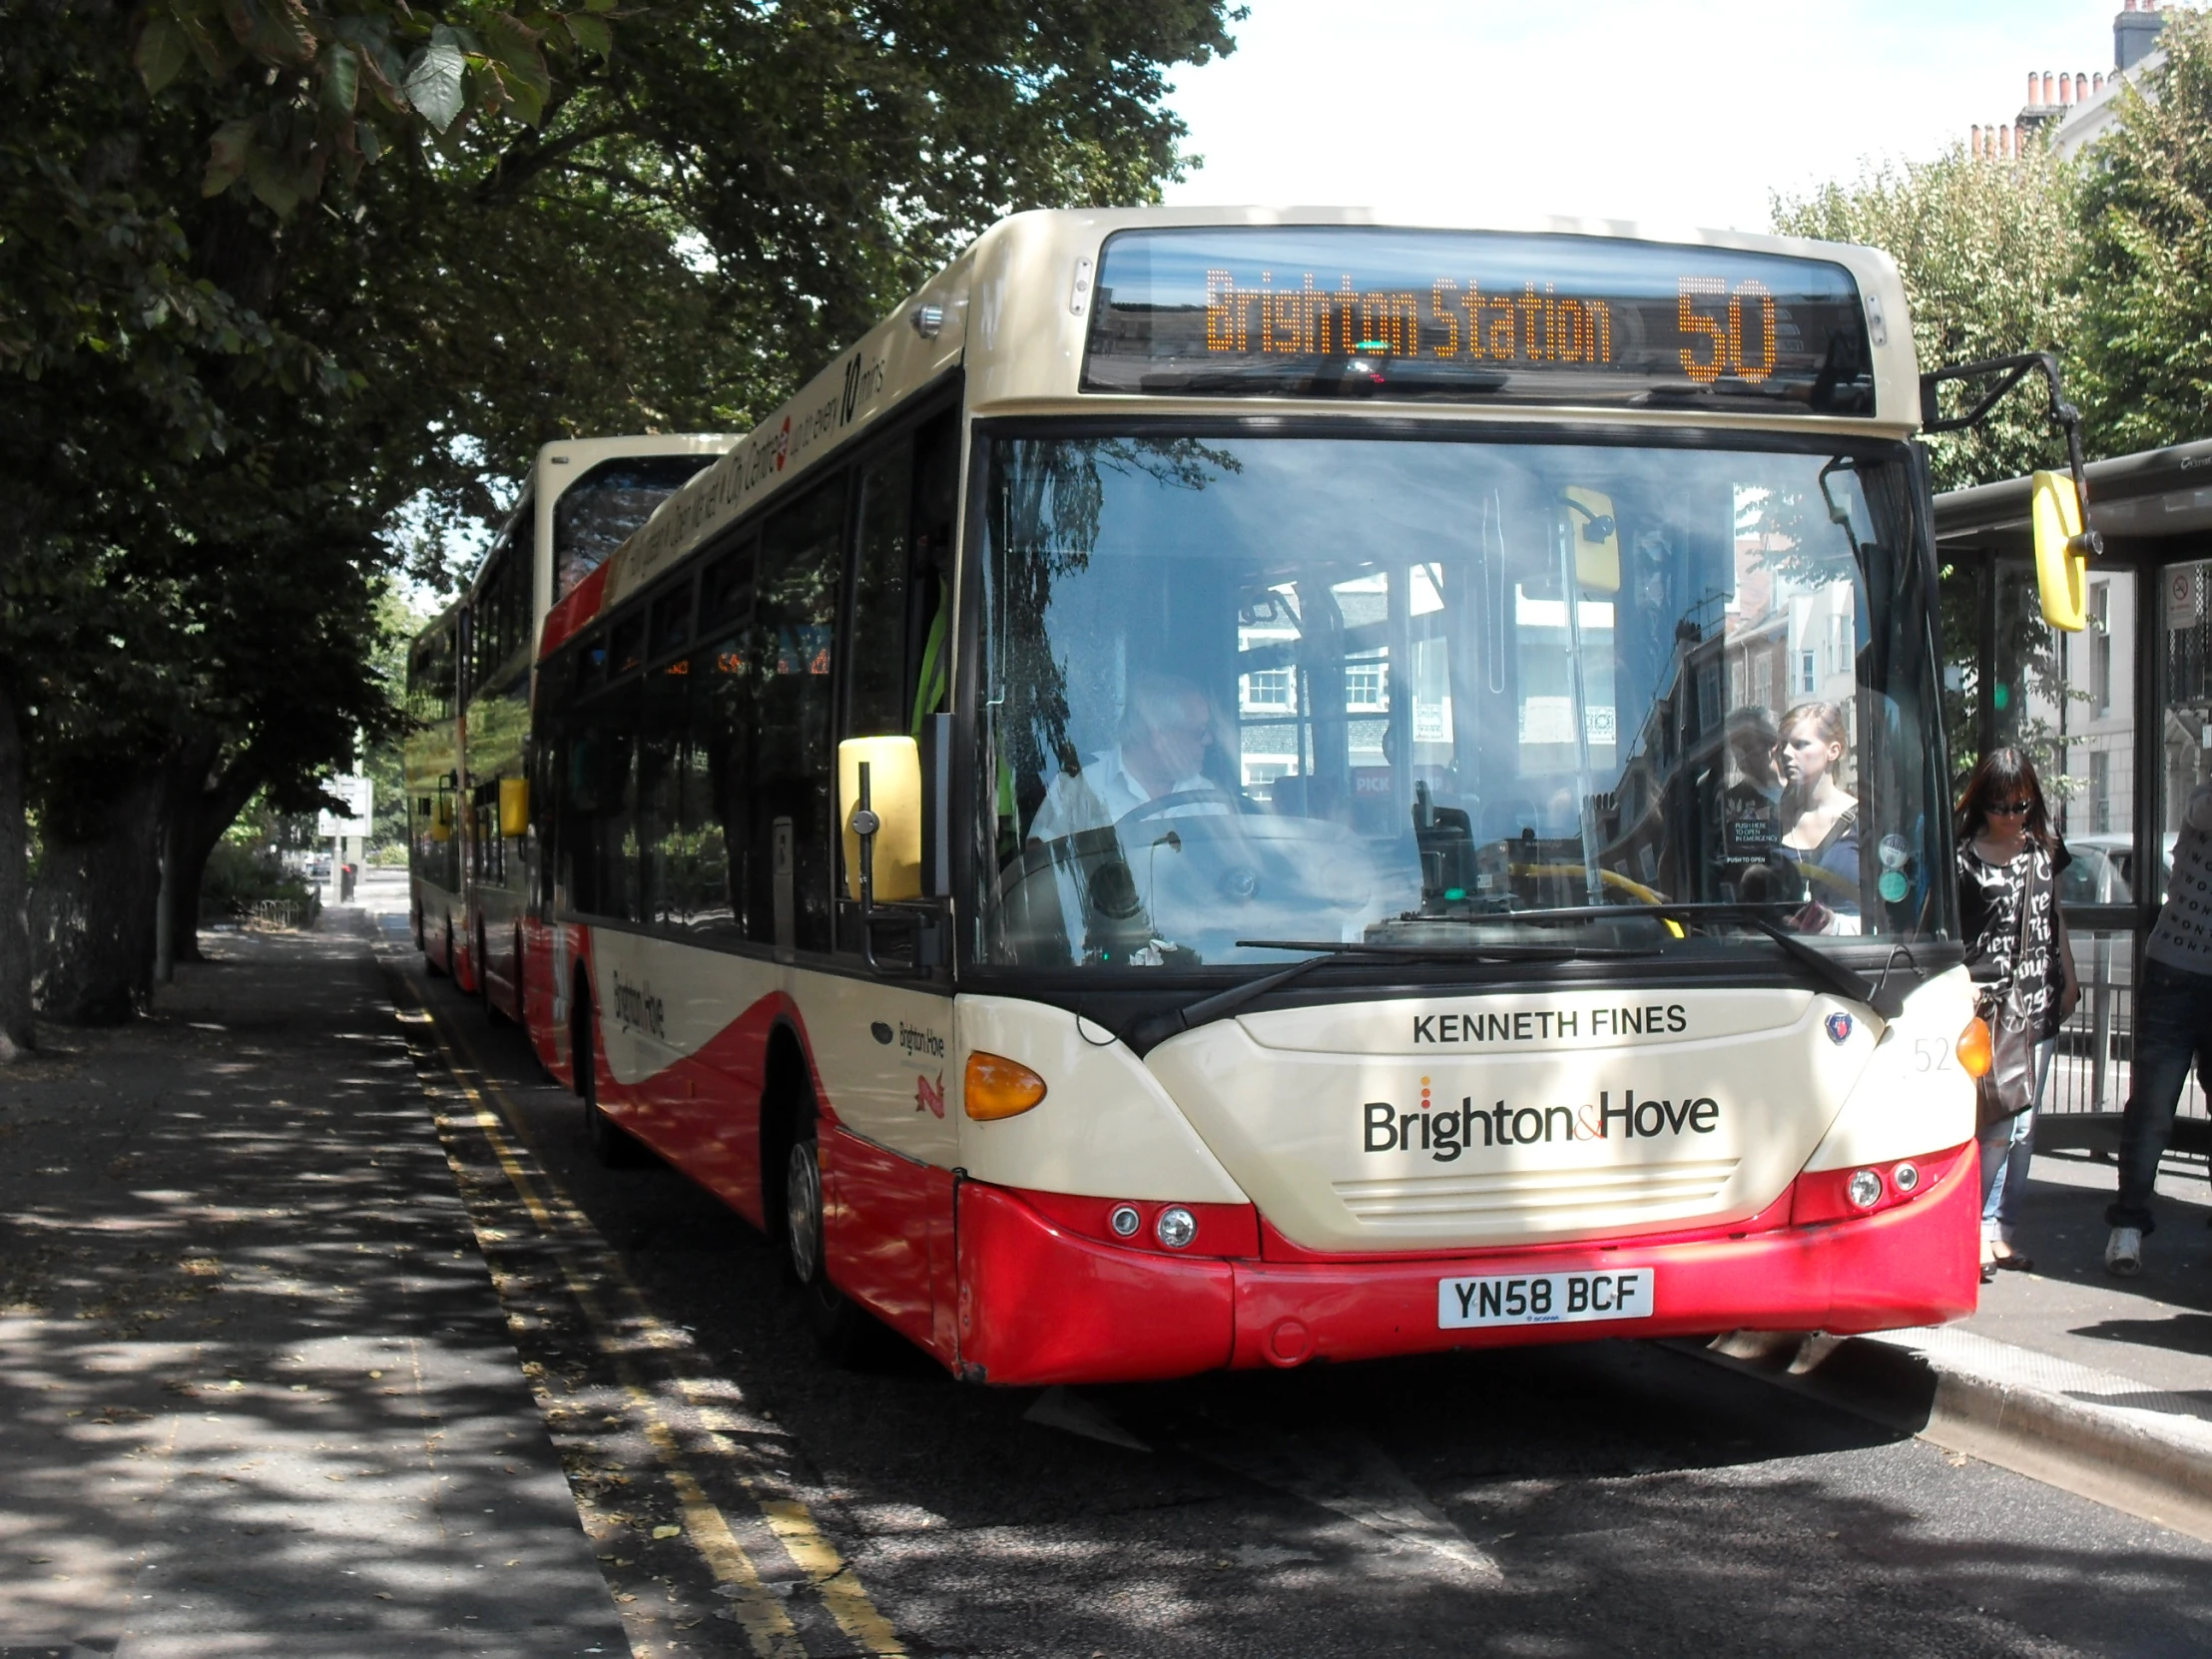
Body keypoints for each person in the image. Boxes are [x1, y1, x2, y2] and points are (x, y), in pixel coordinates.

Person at [1956, 749, 2077, 1282]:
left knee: (2024, 1124)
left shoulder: (2044, 851)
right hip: (1983, 1004)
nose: (2010, 816)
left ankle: (2000, 1230)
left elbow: (2055, 918)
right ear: (1982, 802)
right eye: (2000, 805)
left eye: (2021, 805)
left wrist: (2068, 976)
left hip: (2037, 999)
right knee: (1996, 1122)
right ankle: (1971, 1230)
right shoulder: (1963, 857)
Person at [2105, 780, 2212, 1275]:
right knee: (2152, 1110)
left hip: (2182, 973)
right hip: (2176, 970)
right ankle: (2127, 1226)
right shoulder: (2202, 800)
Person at [1026, 674, 1228, 844]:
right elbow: (1039, 867)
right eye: (1199, 732)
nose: (1208, 740)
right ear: (1159, 737)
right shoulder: (1082, 785)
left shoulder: (1208, 796)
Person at [1774, 701, 1860, 932]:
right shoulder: (1771, 822)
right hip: (1776, 958)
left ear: (1833, 750)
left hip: (1855, 961)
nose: (1787, 754)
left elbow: (1892, 918)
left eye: (1800, 744)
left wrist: (1838, 927)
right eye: (1783, 745)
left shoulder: (1866, 823)